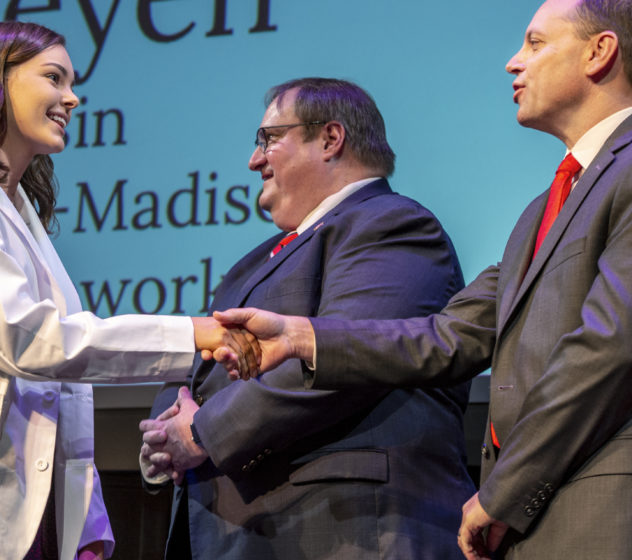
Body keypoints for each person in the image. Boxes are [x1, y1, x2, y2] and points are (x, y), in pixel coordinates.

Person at [216, 1, 632, 558]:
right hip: (538, 520)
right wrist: (303, 338)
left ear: (599, 53)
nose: (513, 62)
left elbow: (608, 347)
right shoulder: (544, 208)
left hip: (602, 510)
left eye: (535, 43)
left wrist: (507, 488)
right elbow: (451, 335)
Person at [0, 21, 257, 560]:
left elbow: (61, 391)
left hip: (27, 517)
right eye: (54, 77)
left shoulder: (19, 212)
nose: (72, 98)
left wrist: (85, 520)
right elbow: (29, 341)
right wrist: (195, 333)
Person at [138, 78, 476, 559]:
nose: (254, 160)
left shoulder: (391, 224)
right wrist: (162, 439)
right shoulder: (254, 261)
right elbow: (199, 376)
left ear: (330, 139)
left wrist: (201, 432)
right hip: (250, 534)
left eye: (269, 140)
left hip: (348, 533)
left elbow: (346, 355)